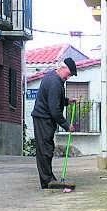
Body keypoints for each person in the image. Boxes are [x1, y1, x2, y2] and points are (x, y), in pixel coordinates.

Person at [31, 57, 77, 189]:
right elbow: (54, 110)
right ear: (62, 68)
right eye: (68, 74)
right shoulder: (54, 82)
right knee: (45, 150)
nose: (68, 77)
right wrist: (67, 125)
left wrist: (67, 101)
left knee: (47, 148)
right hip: (43, 119)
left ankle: (48, 178)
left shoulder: (54, 78)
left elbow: (55, 99)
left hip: (44, 118)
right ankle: (47, 181)